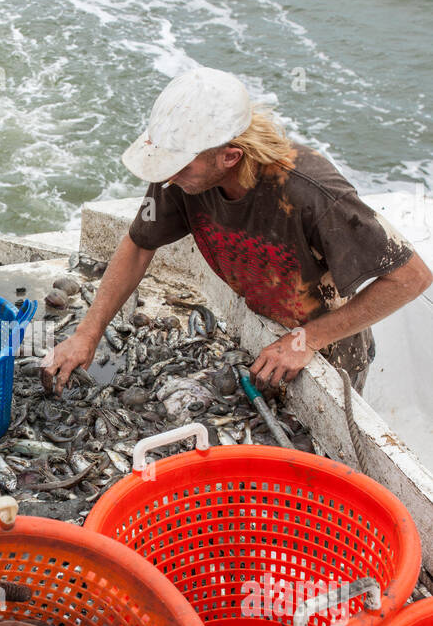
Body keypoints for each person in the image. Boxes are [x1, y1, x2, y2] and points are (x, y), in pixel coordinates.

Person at [42, 66, 432, 396]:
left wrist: (307, 340)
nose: (168, 177)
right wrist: (88, 332)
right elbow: (139, 244)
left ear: (230, 156)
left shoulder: (312, 192)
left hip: (328, 349)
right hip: (264, 330)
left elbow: (411, 278)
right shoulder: (180, 176)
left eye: (179, 166)